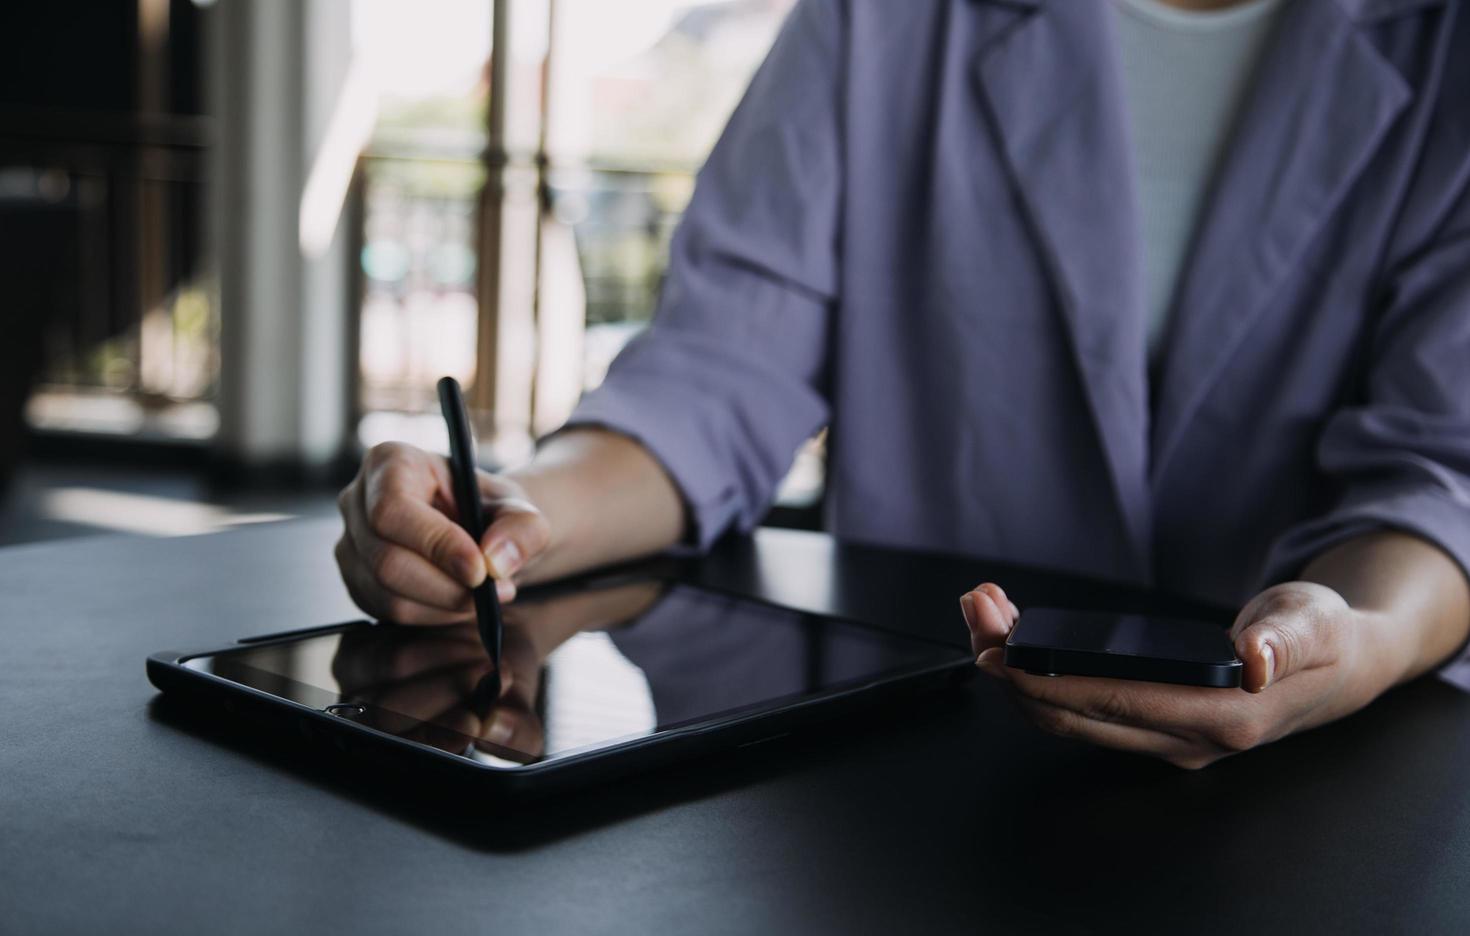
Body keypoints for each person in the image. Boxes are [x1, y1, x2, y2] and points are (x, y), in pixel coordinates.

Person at [336, 0, 1470, 768]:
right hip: (919, 770)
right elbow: (715, 375)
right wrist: (511, 512)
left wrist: (1358, 635)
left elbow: (1438, 472)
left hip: (1334, 785)